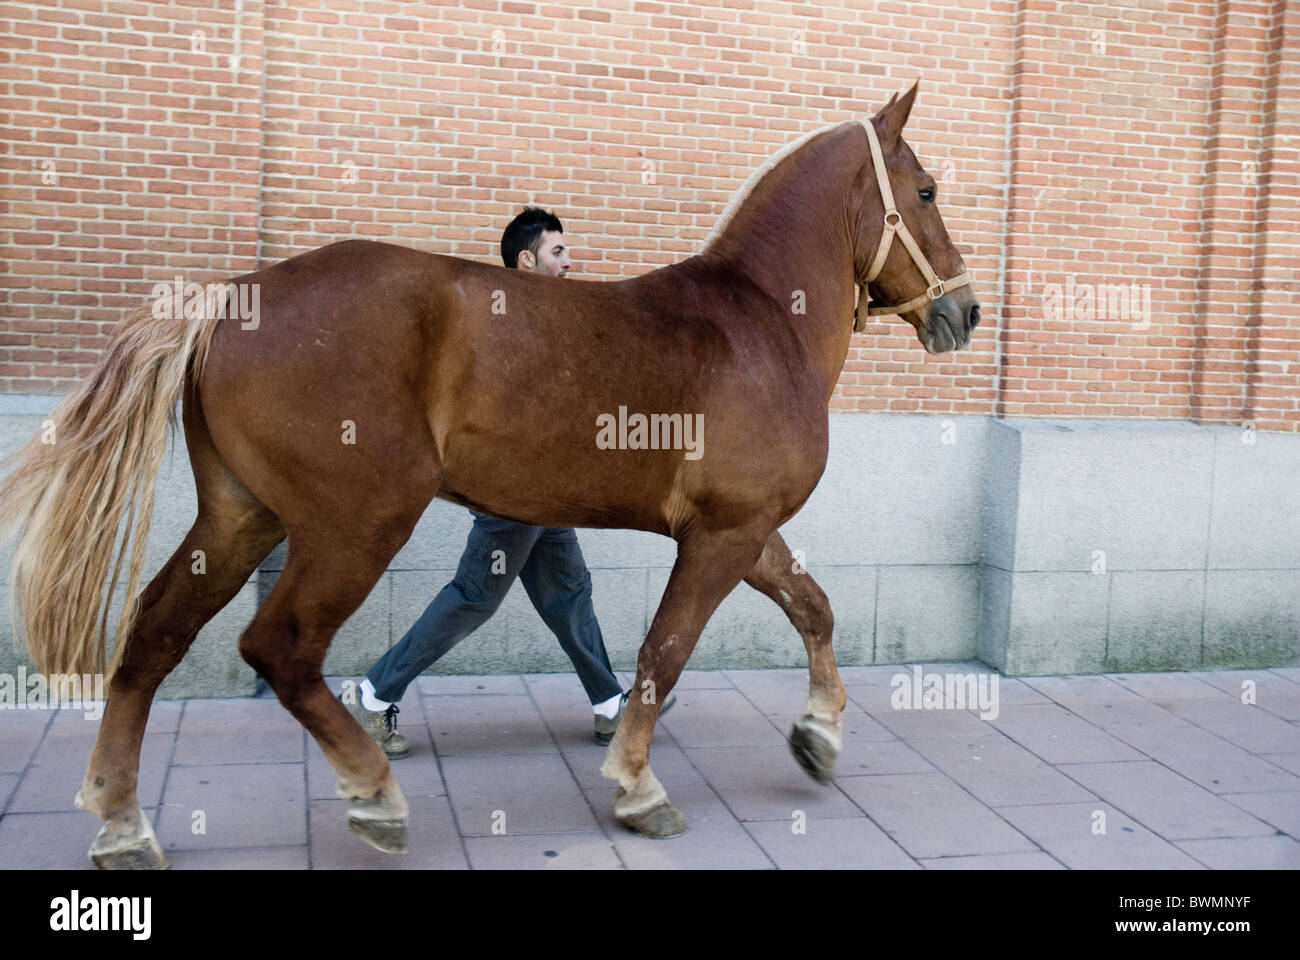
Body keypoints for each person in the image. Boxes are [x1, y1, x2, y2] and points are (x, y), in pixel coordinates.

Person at [340, 207, 671, 757]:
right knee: (474, 596)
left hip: (549, 492)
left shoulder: (546, 319)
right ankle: (373, 697)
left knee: (569, 594)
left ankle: (610, 705)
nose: (570, 262)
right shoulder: (508, 323)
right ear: (527, 260)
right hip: (515, 493)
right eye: (557, 252)